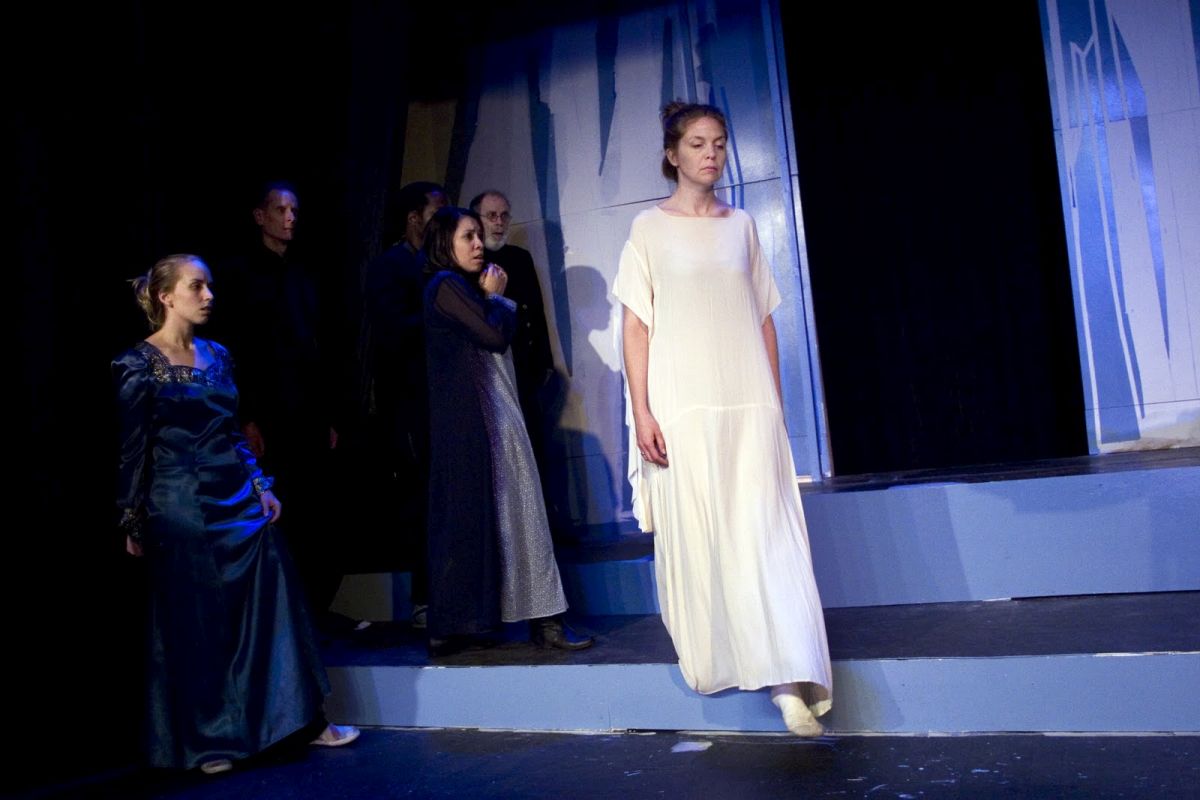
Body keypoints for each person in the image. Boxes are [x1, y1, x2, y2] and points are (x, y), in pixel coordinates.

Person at [613, 102, 832, 736]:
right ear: (672, 154)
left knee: (767, 536)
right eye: (697, 143)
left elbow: (764, 319)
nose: (711, 154)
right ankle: (756, 667)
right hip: (685, 405)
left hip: (747, 401)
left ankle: (788, 680)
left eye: (719, 143)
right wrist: (642, 410)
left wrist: (774, 405)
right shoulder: (648, 230)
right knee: (713, 539)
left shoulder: (742, 226)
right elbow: (636, 326)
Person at [113, 254, 358, 775]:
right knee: (199, 622)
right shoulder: (137, 365)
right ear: (165, 296)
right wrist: (131, 517)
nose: (208, 296)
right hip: (180, 503)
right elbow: (133, 450)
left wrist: (260, 485)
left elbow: (231, 430)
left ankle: (303, 722)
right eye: (196, 287)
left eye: (209, 286)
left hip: (237, 498)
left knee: (276, 601)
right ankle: (211, 743)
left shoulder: (218, 354)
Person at [421, 207, 593, 654]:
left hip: (494, 419)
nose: (479, 244)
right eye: (468, 236)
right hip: (478, 426)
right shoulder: (444, 285)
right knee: (491, 519)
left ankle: (538, 620)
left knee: (517, 515)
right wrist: (496, 299)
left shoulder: (464, 287)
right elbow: (494, 337)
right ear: (444, 242)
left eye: (479, 235)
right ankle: (481, 623)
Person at [215, 182, 345, 626]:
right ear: (260, 216)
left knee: (315, 509)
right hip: (268, 410)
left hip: (307, 408)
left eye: (294, 210)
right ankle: (279, 613)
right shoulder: (239, 274)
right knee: (278, 506)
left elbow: (318, 347)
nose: (290, 218)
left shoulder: (304, 273)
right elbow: (237, 348)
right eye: (280, 209)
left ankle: (313, 609)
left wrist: (328, 415)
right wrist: (248, 416)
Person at [363, 181, 448, 629]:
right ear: (415, 218)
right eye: (436, 211)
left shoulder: (441, 264)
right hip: (410, 401)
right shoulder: (390, 266)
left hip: (445, 396)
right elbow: (393, 330)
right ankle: (424, 599)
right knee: (421, 497)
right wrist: (445, 311)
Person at [467, 191, 555, 480]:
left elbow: (536, 313)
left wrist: (545, 361)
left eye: (504, 215)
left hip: (525, 367)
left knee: (534, 444)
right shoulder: (469, 264)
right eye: (491, 216)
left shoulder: (519, 257)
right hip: (494, 369)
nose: (499, 222)